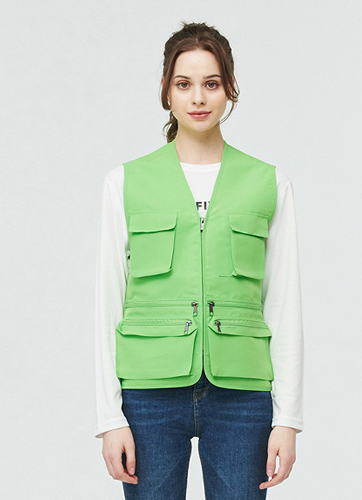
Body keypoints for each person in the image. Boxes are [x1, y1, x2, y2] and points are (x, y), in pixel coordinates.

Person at [94, 21, 304, 500]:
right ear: (166, 91)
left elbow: (284, 304)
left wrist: (288, 418)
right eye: (183, 84)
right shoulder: (124, 183)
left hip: (242, 397)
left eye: (211, 83)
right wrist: (109, 418)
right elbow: (108, 302)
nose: (198, 98)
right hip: (148, 394)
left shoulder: (269, 183)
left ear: (229, 88)